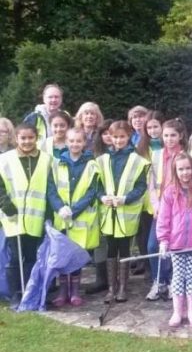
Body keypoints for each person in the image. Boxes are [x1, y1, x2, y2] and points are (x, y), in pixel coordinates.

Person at [0, 124, 55, 309]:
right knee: (15, 258)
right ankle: (16, 294)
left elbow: (50, 188)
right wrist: (5, 203)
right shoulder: (5, 159)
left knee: (33, 257)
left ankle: (32, 291)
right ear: (16, 139)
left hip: (36, 218)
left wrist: (49, 214)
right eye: (22, 138)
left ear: (36, 137)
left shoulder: (47, 160)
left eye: (30, 138)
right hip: (13, 218)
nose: (27, 141)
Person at [157, 152, 192, 328]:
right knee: (178, 277)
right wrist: (164, 240)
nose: (185, 172)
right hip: (176, 244)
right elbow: (164, 219)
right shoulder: (170, 192)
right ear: (175, 171)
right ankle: (177, 311)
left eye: (188, 168)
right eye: (181, 169)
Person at [97, 120, 150, 303]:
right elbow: (97, 185)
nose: (118, 140)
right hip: (109, 212)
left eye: (122, 137)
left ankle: (122, 287)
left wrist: (125, 199)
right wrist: (102, 196)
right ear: (109, 138)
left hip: (125, 212)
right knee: (110, 248)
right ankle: (111, 287)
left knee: (124, 248)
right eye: (115, 137)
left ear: (129, 137)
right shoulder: (102, 160)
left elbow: (141, 186)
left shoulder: (138, 160)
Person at [50, 128, 100, 307]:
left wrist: (74, 210)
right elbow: (51, 189)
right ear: (66, 141)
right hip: (61, 217)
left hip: (81, 219)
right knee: (63, 255)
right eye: (71, 141)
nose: (74, 144)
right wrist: (59, 207)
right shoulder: (57, 163)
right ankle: (63, 291)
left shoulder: (92, 164)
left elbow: (92, 191)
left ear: (84, 143)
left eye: (78, 141)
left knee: (77, 256)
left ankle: (75, 291)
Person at [145, 118, 187, 301]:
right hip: (160, 208)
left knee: (175, 245)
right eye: (166, 135)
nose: (169, 139)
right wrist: (155, 205)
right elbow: (151, 184)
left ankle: (172, 282)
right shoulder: (156, 155)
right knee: (153, 245)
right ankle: (158, 281)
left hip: (179, 209)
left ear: (180, 136)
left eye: (173, 135)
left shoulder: (186, 156)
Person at [84, 118, 115, 296]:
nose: (109, 137)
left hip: (117, 204)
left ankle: (115, 278)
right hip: (98, 203)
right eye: (105, 133)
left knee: (115, 242)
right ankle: (101, 278)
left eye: (112, 133)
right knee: (100, 241)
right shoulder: (92, 155)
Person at [135, 110, 166, 278]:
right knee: (146, 236)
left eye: (156, 126)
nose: (153, 131)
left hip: (165, 199)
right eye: (149, 128)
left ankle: (164, 273)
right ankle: (150, 269)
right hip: (146, 199)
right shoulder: (141, 148)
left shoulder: (167, 145)